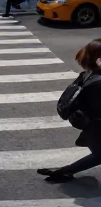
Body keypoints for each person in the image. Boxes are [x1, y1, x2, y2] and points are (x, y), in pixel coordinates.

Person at [38, 40, 101, 183]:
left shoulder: (87, 74)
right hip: (96, 127)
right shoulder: (98, 82)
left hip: (90, 125)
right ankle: (64, 172)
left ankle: (64, 172)